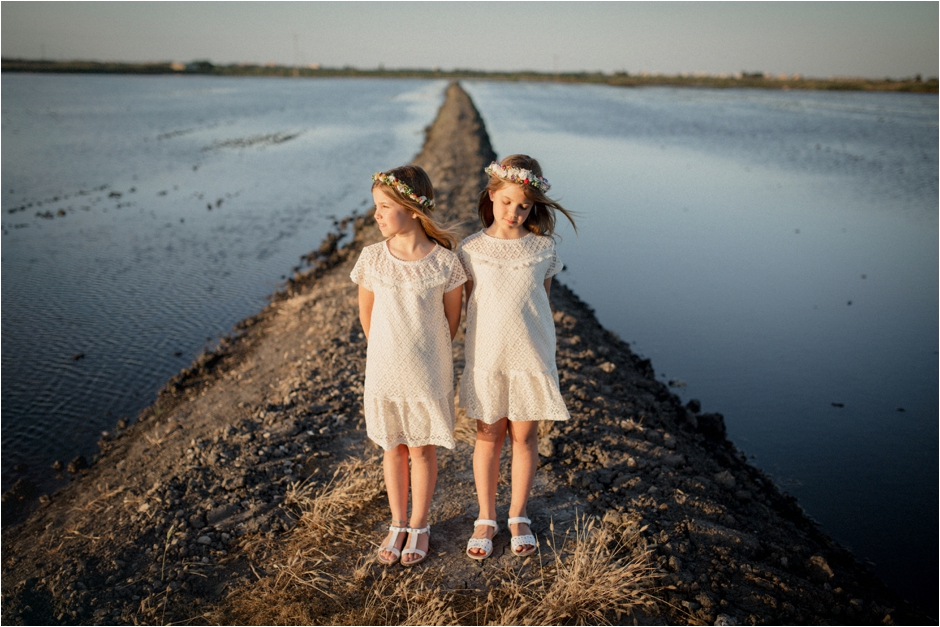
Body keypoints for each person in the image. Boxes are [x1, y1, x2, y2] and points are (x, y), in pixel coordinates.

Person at [459, 155, 577, 560]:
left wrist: (545, 354)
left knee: (525, 436)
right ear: (492, 196)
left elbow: (541, 303)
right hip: (488, 356)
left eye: (523, 205)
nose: (514, 211)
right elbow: (469, 305)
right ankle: (486, 516)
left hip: (530, 355)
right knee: (488, 436)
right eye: (507, 201)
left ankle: (518, 514)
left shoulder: (543, 248)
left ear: (533, 206)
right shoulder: (471, 249)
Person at [350, 165, 466, 567]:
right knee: (393, 446)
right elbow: (367, 317)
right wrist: (388, 352)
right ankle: (397, 522)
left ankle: (419, 524)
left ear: (413, 208)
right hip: (384, 369)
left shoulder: (446, 263)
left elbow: (451, 321)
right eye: (376, 207)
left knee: (421, 448)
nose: (377, 215)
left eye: (384, 207)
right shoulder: (372, 259)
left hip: (427, 371)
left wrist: (425, 352)